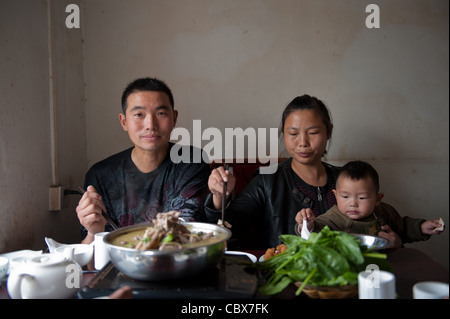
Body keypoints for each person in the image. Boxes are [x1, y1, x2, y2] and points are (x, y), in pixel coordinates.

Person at [76, 77, 210, 245]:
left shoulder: (191, 162)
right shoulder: (100, 175)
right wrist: (93, 232)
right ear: (124, 121)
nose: (150, 124)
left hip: (175, 263)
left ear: (174, 118)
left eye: (161, 113)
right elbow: (90, 261)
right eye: (139, 114)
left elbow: (185, 233)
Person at [206, 95, 351, 249]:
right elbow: (229, 229)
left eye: (313, 132)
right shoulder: (268, 181)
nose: (303, 142)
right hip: (283, 271)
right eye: (293, 134)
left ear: (328, 131)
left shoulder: (347, 179)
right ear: (284, 133)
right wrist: (219, 196)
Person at [295, 160, 444, 246]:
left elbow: (402, 227)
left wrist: (422, 227)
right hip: (348, 269)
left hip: (384, 264)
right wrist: (307, 224)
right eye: (345, 197)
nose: (353, 204)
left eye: (362, 198)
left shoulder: (384, 212)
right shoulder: (334, 217)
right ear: (335, 195)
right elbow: (317, 229)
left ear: (378, 199)